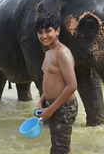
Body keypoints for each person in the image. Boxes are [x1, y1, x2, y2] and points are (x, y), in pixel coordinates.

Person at [35, 18, 78, 154]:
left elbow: (72, 86)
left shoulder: (62, 53)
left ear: (57, 31)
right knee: (62, 144)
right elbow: (49, 79)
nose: (44, 36)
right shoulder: (48, 53)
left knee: (59, 149)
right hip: (51, 104)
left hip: (63, 107)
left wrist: (51, 110)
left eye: (48, 31)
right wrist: (42, 100)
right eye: (40, 32)